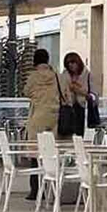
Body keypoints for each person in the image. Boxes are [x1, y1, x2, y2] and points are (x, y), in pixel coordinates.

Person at [23, 49, 59, 200]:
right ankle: (52, 189)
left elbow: (26, 91)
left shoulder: (33, 77)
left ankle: (35, 190)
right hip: (55, 117)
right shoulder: (56, 76)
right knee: (51, 154)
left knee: (35, 155)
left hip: (37, 117)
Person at [59, 52, 91, 139]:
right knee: (67, 130)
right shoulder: (65, 74)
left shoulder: (85, 74)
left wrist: (74, 87)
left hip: (81, 105)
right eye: (68, 64)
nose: (71, 66)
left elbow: (87, 91)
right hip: (68, 105)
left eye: (73, 63)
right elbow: (62, 88)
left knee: (79, 131)